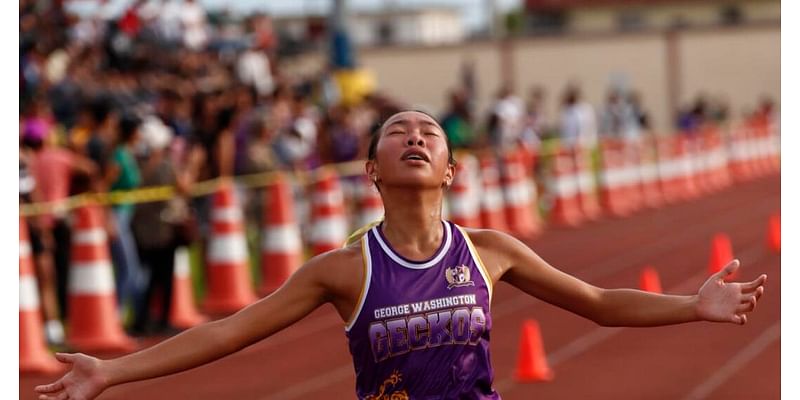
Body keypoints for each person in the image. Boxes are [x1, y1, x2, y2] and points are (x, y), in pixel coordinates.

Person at [36, 110, 767, 400]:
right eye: (398, 132)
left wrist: (691, 308)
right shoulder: (344, 268)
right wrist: (114, 371)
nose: (415, 136)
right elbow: (230, 331)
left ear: (450, 169)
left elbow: (600, 304)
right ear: (373, 170)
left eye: (430, 133)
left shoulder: (490, 251)